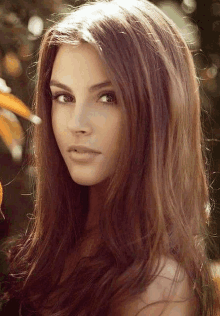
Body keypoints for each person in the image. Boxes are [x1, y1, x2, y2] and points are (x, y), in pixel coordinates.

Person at [0, 0, 219, 315]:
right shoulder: (53, 249)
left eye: (107, 97)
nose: (77, 123)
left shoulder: (157, 287)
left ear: (157, 109)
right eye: (63, 96)